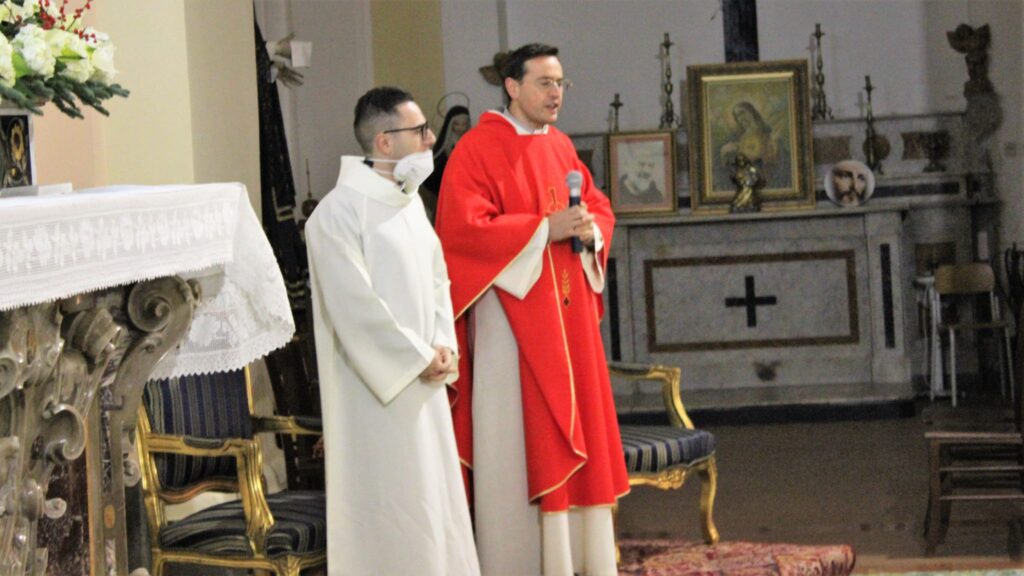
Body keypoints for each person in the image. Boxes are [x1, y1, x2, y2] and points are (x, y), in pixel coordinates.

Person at [435, 43, 629, 576]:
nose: (556, 93)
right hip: (511, 323)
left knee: (576, 429)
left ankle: (578, 560)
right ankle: (516, 562)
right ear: (512, 86)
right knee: (520, 439)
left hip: (568, 320)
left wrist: (589, 230)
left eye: (561, 83)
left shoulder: (560, 145)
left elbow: (597, 206)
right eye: (545, 83)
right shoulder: (476, 149)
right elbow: (462, 233)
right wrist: (544, 229)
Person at [305, 86, 480, 576]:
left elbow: (438, 281)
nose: (431, 139)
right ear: (384, 142)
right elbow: (354, 307)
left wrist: (443, 344)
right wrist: (415, 357)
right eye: (419, 130)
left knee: (434, 506)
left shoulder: (408, 205)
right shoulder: (336, 214)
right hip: (375, 396)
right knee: (392, 511)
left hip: (426, 381)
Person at [718, 101, 788, 189]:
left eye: (742, 113)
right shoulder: (739, 135)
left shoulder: (767, 130)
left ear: (751, 112)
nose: (740, 118)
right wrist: (725, 152)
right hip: (746, 177)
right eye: (737, 116)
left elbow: (772, 154)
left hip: (765, 174)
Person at [421, 104, 471, 222]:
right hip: (446, 198)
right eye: (456, 124)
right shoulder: (443, 149)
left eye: (464, 124)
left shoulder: (472, 144)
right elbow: (432, 177)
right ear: (450, 125)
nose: (460, 128)